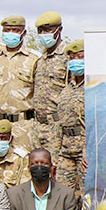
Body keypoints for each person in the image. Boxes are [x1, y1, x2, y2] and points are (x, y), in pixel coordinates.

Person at [0, 14, 39, 150]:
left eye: (15, 30)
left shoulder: (34, 59)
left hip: (24, 125)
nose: (10, 34)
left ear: (23, 33)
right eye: (7, 30)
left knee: (24, 165)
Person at [31, 11, 68, 158]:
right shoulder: (40, 59)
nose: (43, 34)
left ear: (59, 30)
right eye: (40, 31)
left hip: (56, 127)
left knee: (54, 171)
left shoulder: (67, 57)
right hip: (38, 126)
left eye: (48, 30)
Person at [55, 40, 86, 192]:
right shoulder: (67, 88)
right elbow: (59, 123)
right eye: (72, 58)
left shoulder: (92, 87)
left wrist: (90, 152)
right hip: (66, 149)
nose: (75, 62)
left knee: (85, 194)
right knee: (64, 195)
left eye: (80, 57)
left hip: (83, 148)